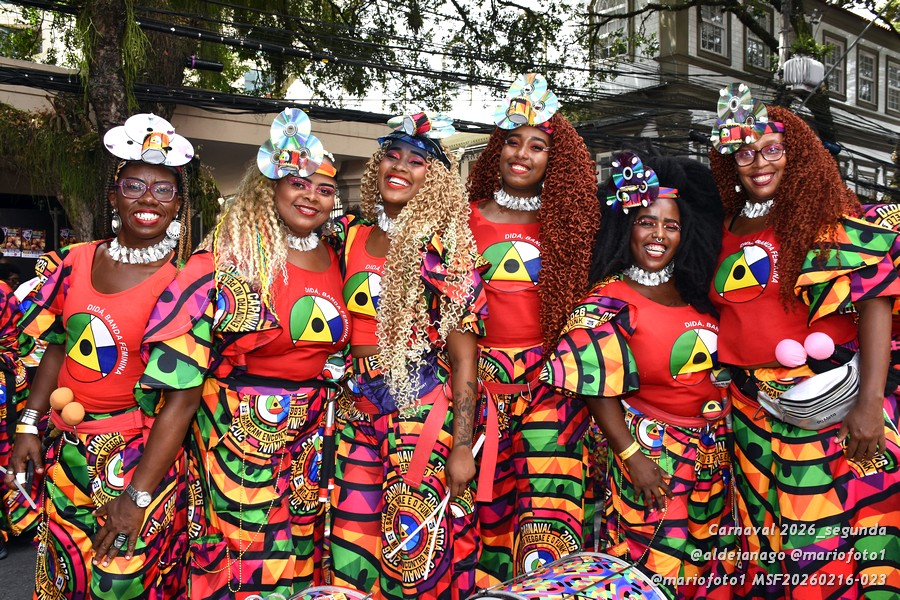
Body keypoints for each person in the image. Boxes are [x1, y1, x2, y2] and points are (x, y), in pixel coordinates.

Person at [138, 108, 351, 598]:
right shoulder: (231, 253)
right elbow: (181, 366)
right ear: (270, 187)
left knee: (303, 552)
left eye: (324, 189)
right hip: (239, 433)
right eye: (298, 183)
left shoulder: (337, 253)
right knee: (248, 558)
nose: (311, 196)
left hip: (315, 432)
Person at [707, 83, 900, 599]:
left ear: (796, 154)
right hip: (749, 408)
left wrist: (870, 403)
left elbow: (876, 302)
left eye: (772, 149)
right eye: (745, 153)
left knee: (834, 533)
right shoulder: (720, 227)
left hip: (829, 402)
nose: (759, 163)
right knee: (768, 534)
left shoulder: (823, 216)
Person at [3, 113, 196, 598]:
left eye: (163, 190)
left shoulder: (184, 284)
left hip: (138, 456)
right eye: (134, 186)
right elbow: (59, 346)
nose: (148, 198)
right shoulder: (75, 261)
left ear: (178, 205)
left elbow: (183, 399)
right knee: (64, 574)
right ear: (114, 196)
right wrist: (29, 423)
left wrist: (138, 496)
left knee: (120, 582)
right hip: (68, 448)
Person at [541, 152, 732, 599]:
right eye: (647, 222)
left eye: (671, 225)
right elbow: (594, 387)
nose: (658, 234)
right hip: (653, 457)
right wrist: (633, 458)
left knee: (708, 570)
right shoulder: (609, 300)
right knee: (652, 571)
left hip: (715, 455)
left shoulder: (697, 292)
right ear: (626, 227)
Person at [329, 112, 487, 599]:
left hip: (418, 409)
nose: (399, 167)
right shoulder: (350, 235)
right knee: (351, 544)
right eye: (392, 156)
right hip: (357, 410)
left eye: (416, 161)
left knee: (413, 549)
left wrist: (463, 445)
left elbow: (465, 357)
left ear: (434, 179)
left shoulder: (445, 250)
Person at [465, 73, 599, 586]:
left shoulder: (568, 224)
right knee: (484, 517)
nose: (522, 154)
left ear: (554, 159)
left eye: (537, 145)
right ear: (496, 150)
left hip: (550, 386)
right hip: (479, 385)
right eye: (512, 141)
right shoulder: (461, 220)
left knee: (551, 512)